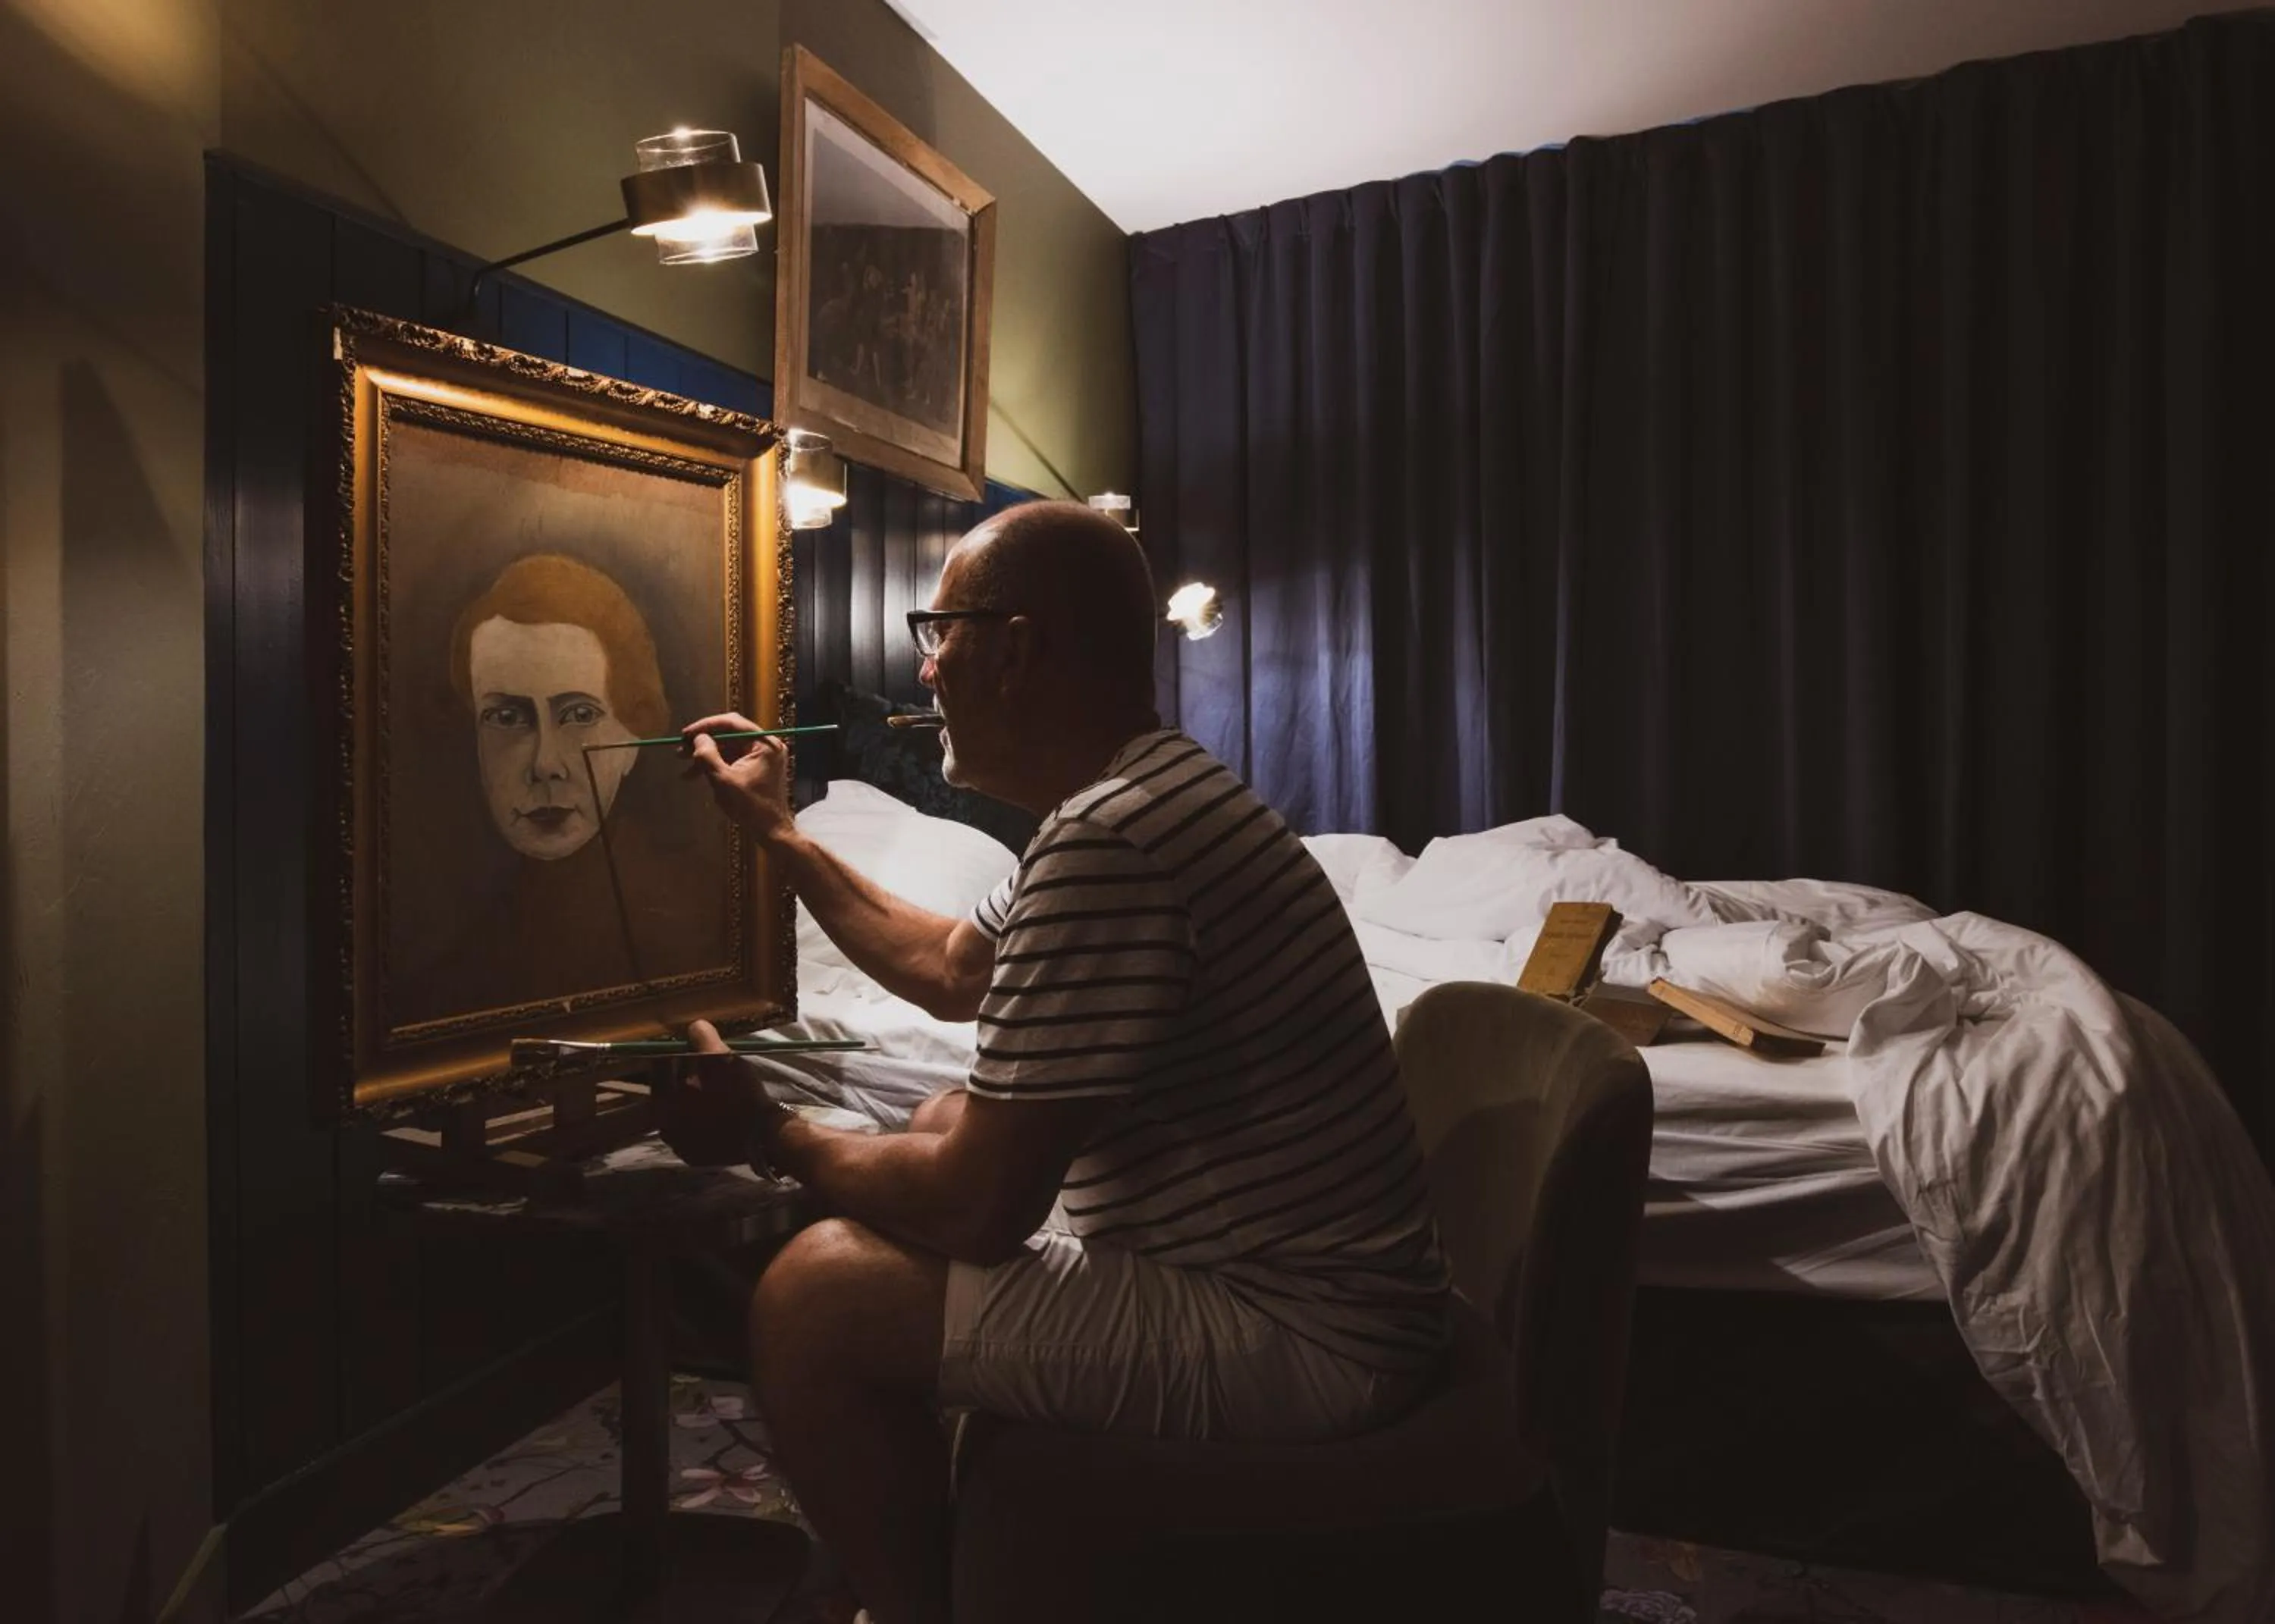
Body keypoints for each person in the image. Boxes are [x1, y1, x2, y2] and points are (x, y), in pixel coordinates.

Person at [661, 500, 1451, 1624]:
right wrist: (781, 836)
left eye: (940, 631)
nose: (927, 669)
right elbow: (945, 962)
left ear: (1017, 646)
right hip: (1345, 1295)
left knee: (813, 1297)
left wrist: (767, 1131)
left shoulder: (1113, 842)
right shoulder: (1142, 796)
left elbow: (980, 1207)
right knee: (939, 1109)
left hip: (1308, 1332)